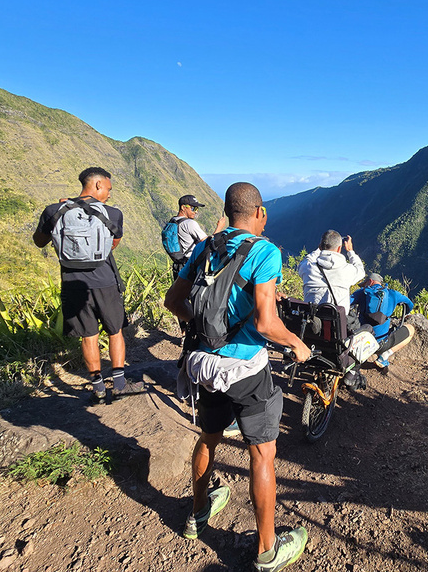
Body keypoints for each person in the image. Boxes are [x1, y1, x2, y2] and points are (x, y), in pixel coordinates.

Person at [164, 182, 311, 571]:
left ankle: (197, 514)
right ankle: (267, 551)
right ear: (260, 213)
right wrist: (297, 344)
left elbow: (173, 301)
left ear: (228, 213)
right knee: (262, 452)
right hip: (244, 368)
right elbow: (265, 324)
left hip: (202, 365)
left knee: (209, 437)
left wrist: (206, 330)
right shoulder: (265, 251)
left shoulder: (205, 246)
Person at [33, 167, 145, 404]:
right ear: (97, 185)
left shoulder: (55, 211)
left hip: (73, 284)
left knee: (88, 336)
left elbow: (39, 241)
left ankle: (98, 388)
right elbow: (112, 245)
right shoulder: (113, 214)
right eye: (108, 189)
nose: (109, 194)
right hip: (106, 282)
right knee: (115, 331)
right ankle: (119, 384)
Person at [297, 230, 365, 332]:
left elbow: (306, 260)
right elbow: (360, 270)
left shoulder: (308, 268)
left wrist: (319, 250)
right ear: (339, 248)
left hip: (311, 327)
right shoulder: (347, 270)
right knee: (367, 328)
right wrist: (350, 251)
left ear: (320, 246)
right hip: (337, 330)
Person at [350, 273, 416, 377]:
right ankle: (384, 356)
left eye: (365, 284)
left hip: (361, 343)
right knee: (411, 329)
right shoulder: (393, 294)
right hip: (381, 344)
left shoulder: (361, 293)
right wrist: (405, 313)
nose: (364, 286)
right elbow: (410, 305)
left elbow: (346, 303)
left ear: (370, 281)